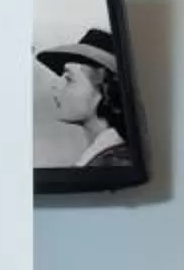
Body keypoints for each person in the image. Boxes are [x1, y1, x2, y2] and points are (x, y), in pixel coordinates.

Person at [36, 30, 131, 170]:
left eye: (69, 79)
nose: (55, 85)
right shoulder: (105, 157)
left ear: (105, 90)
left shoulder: (114, 163)